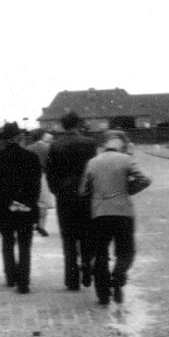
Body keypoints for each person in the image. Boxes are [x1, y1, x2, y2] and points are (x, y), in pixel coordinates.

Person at [80, 130, 151, 305]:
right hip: (123, 212)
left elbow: (83, 190)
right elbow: (144, 180)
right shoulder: (126, 160)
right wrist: (128, 190)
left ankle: (103, 295)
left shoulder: (92, 162)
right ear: (120, 146)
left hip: (99, 214)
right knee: (126, 252)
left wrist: (96, 194)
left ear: (104, 146)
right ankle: (118, 276)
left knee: (101, 253)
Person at [0, 122, 42, 294]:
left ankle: (11, 277)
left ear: (4, 140)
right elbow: (36, 186)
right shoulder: (31, 157)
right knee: (25, 245)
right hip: (25, 206)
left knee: (8, 243)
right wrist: (30, 205)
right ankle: (23, 282)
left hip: (5, 207)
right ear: (19, 138)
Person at [46, 111, 98, 291]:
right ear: (78, 124)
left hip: (64, 195)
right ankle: (86, 266)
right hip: (86, 195)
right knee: (87, 233)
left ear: (62, 125)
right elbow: (94, 170)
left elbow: (50, 173)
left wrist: (57, 191)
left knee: (68, 237)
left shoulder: (55, 146)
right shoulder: (90, 144)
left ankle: (71, 278)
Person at [26, 131, 55, 236]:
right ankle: (41, 225)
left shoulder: (28, 148)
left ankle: (31, 223)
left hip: (29, 176)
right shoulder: (47, 148)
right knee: (43, 203)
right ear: (42, 137)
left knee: (31, 201)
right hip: (42, 176)